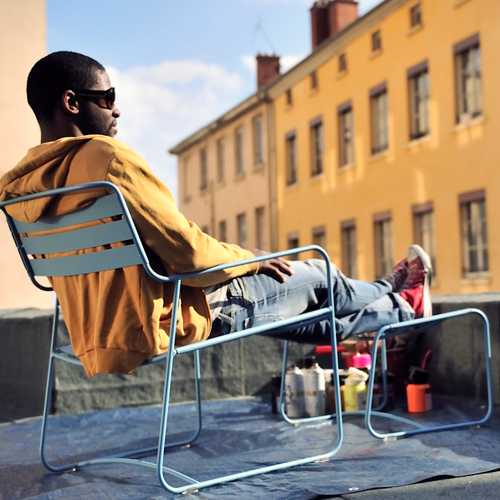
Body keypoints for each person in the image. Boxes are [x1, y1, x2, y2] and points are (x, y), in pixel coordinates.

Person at [0, 51, 432, 377]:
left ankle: (400, 310)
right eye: (107, 97)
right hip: (171, 318)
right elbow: (189, 255)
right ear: (72, 102)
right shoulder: (102, 158)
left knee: (299, 314)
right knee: (318, 275)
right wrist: (252, 258)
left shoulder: (20, 186)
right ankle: (390, 291)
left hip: (95, 336)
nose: (116, 109)